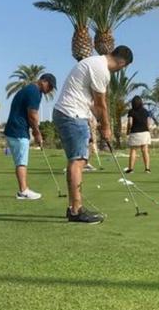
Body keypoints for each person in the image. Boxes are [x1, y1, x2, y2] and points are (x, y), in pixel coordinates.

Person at [53, 45, 134, 223]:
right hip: (73, 115)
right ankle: (76, 211)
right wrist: (106, 127)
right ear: (121, 63)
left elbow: (92, 104)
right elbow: (101, 103)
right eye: (122, 68)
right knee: (79, 161)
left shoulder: (92, 62)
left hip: (67, 113)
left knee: (75, 160)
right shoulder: (101, 69)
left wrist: (96, 121)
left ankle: (72, 208)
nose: (119, 70)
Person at [4, 74, 57, 200]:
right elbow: (32, 114)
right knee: (22, 161)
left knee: (21, 161)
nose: (50, 90)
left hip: (15, 129)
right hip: (18, 130)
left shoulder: (30, 90)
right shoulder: (34, 92)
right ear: (43, 81)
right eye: (50, 86)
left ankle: (23, 190)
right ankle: (23, 191)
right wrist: (37, 133)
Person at [125, 95, 152, 174]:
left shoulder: (131, 111)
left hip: (135, 132)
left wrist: (128, 131)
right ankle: (147, 169)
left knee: (133, 150)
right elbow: (148, 123)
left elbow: (130, 122)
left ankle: (131, 169)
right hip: (145, 132)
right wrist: (148, 130)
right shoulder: (145, 111)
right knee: (145, 150)